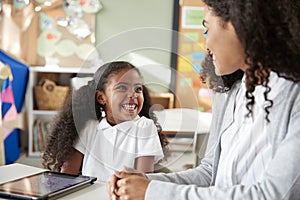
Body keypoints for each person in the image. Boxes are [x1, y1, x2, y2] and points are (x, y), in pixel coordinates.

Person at [107, 0, 300, 199]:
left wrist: (151, 191)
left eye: (207, 29)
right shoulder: (231, 91)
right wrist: (145, 182)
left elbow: (276, 194)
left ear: (238, 24)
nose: (205, 44)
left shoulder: (292, 94)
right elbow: (210, 173)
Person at [42, 61, 169, 183]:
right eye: (122, 88)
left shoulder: (144, 126)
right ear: (101, 98)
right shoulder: (90, 128)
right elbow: (67, 174)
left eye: (138, 89)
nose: (133, 94)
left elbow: (141, 182)